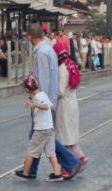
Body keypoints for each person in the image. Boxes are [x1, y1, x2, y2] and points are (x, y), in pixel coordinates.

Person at [17, 24, 80, 180]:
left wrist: (39, 100)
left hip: (43, 101)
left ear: (30, 36)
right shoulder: (47, 49)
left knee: (39, 134)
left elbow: (44, 79)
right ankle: (30, 170)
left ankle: (70, 162)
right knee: (39, 134)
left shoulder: (42, 52)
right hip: (48, 100)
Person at [14, 76, 64, 182]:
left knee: (31, 151)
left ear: (27, 89)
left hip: (41, 129)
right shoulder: (43, 94)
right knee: (51, 152)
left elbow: (45, 106)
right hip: (49, 128)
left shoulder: (37, 97)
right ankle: (57, 173)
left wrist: (32, 104)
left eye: (24, 87)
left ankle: (25, 173)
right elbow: (52, 107)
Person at [53, 43, 87, 170]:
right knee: (71, 135)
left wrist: (49, 96)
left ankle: (70, 164)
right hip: (72, 102)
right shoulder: (71, 63)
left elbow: (60, 91)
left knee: (64, 137)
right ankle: (80, 156)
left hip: (64, 105)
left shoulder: (62, 68)